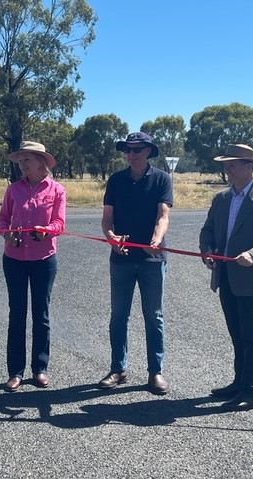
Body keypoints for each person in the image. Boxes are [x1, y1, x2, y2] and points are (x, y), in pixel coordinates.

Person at [199, 144, 253, 411]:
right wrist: (207, 250)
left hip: (252, 282)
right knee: (237, 335)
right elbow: (208, 230)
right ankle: (239, 383)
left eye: (233, 164)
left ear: (250, 167)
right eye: (226, 164)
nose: (227, 168)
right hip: (226, 278)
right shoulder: (221, 199)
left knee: (252, 336)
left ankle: (252, 390)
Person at [98, 132, 173, 395]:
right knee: (118, 316)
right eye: (127, 150)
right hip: (122, 258)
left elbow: (163, 215)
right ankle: (118, 368)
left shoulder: (162, 178)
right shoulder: (116, 180)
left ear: (148, 152)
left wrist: (156, 238)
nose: (131, 154)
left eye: (137, 150)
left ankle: (156, 372)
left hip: (153, 259)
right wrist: (111, 237)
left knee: (154, 316)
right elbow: (107, 219)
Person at [0, 141, 65, 393]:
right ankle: (15, 372)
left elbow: (59, 222)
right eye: (20, 160)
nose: (22, 164)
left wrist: (45, 231)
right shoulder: (13, 190)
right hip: (13, 258)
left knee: (41, 315)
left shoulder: (56, 190)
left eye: (27, 160)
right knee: (17, 314)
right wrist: (6, 234)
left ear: (41, 162)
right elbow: (2, 220)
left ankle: (40, 368)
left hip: (44, 259)